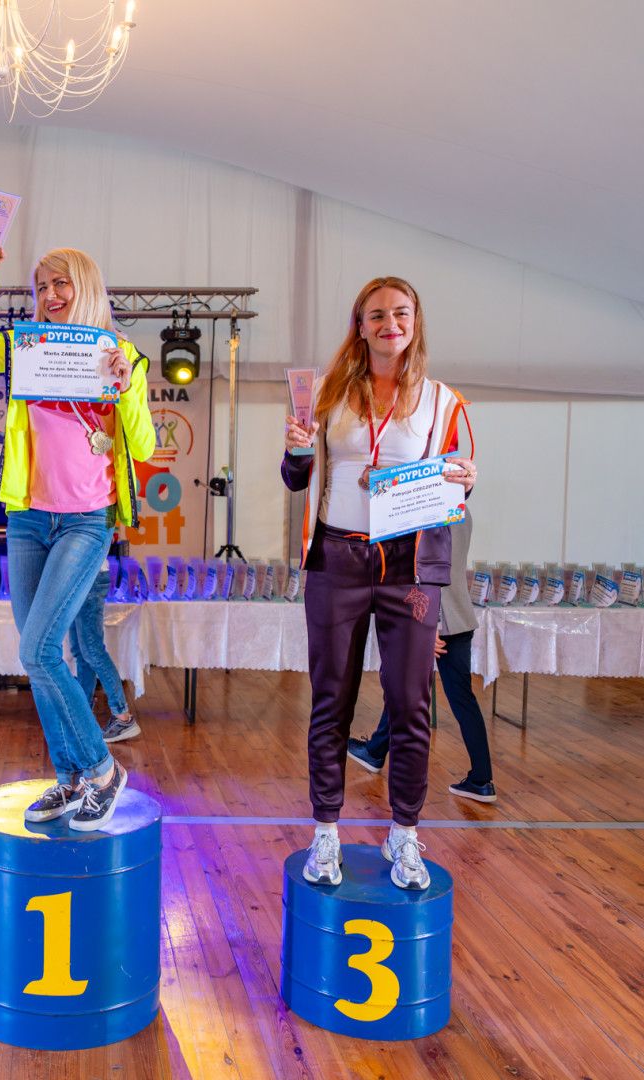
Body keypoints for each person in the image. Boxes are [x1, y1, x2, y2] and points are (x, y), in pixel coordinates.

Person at [0, 223, 155, 831]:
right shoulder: (23, 345)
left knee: (37, 649)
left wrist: (125, 389)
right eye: (40, 286)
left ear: (86, 287)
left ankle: (102, 770)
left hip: (86, 521)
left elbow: (142, 444)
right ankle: (69, 779)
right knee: (40, 657)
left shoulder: (122, 354)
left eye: (61, 283)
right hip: (27, 518)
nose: (50, 295)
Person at [282, 276, 477, 890]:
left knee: (410, 703)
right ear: (360, 325)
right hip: (336, 559)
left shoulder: (444, 402)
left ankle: (405, 834)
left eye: (401, 313)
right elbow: (295, 478)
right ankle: (325, 831)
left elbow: (458, 483)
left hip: (408, 564)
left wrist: (466, 480)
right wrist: (297, 451)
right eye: (377, 315)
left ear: (415, 323)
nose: (390, 324)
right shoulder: (326, 392)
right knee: (330, 700)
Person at [348, 509, 497, 802]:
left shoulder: (430, 508)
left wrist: (432, 625)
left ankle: (481, 779)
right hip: (457, 615)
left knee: (410, 690)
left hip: (433, 618)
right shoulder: (461, 509)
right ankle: (377, 750)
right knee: (418, 691)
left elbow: (429, 571)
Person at [68, 556, 138, 742]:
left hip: (88, 575)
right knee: (81, 651)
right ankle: (84, 713)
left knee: (92, 651)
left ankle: (122, 716)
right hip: (78, 576)